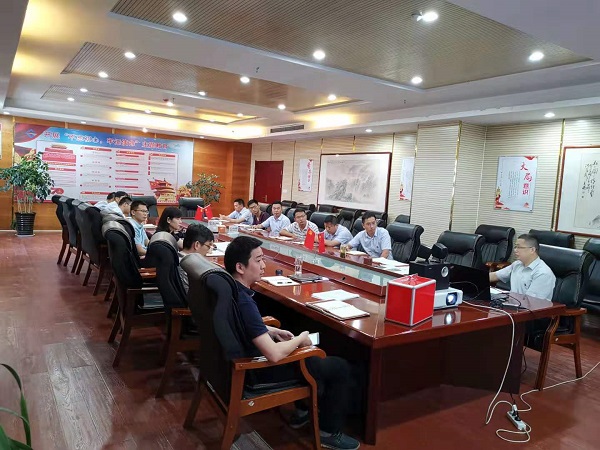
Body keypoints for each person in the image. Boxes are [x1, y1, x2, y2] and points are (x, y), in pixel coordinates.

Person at [224, 236, 360, 450]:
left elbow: (246, 324)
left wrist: (271, 330)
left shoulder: (232, 289)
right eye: (258, 260)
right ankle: (327, 432)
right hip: (257, 370)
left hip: (250, 357)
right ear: (240, 267)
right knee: (339, 367)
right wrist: (300, 338)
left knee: (299, 341)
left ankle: (303, 410)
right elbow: (274, 354)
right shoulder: (245, 302)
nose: (264, 265)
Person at [489, 234, 556, 300]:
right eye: (515, 247)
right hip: (513, 303)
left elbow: (531, 301)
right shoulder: (517, 264)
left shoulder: (543, 273)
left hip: (530, 306)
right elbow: (495, 275)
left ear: (532, 250)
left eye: (519, 247)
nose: (515, 250)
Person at [177, 223, 214, 292]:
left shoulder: (179, 258)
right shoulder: (191, 266)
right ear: (197, 245)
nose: (208, 251)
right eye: (208, 246)